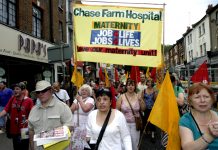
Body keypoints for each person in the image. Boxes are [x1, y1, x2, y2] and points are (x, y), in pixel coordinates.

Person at [28, 80, 73, 150]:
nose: (41, 94)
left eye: (44, 91)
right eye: (38, 92)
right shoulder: (33, 110)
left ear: (51, 91)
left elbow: (69, 126)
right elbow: (31, 131)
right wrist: (32, 148)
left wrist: (48, 136)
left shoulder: (62, 107)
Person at [179, 83, 218, 149]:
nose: (202, 100)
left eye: (206, 97)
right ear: (190, 101)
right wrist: (210, 135)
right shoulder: (186, 120)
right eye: (197, 97)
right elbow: (187, 148)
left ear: (212, 100)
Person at [0, 82, 34, 150]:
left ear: (23, 90)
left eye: (17, 89)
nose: (15, 91)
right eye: (14, 89)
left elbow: (33, 114)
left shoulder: (29, 101)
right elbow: (6, 110)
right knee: (16, 147)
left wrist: (28, 120)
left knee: (24, 147)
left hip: (24, 129)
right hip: (14, 129)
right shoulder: (12, 99)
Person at [116, 79, 146, 150]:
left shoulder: (138, 96)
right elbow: (117, 110)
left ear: (135, 87)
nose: (130, 87)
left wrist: (141, 100)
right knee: (124, 143)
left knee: (134, 143)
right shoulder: (121, 97)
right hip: (124, 124)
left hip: (135, 124)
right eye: (129, 85)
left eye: (132, 85)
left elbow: (143, 108)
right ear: (126, 86)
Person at [70, 84, 95, 149]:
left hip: (85, 126)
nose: (84, 92)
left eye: (86, 90)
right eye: (82, 90)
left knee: (84, 144)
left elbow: (86, 109)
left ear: (89, 92)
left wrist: (80, 101)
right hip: (75, 124)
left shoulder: (90, 100)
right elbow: (70, 110)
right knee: (74, 143)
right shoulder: (76, 99)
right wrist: (74, 107)